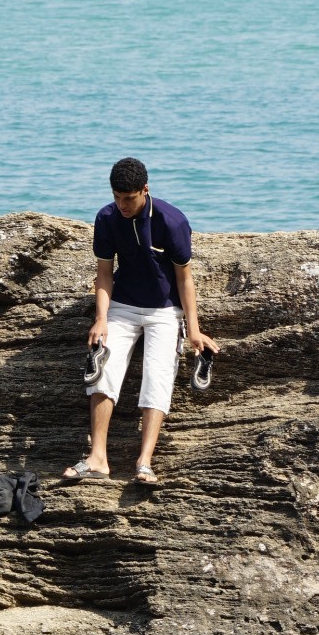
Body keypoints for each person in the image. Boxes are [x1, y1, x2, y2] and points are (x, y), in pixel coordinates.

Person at [65, 156, 219, 488]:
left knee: (158, 375)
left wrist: (193, 329)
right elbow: (104, 276)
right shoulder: (106, 218)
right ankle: (98, 459)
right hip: (122, 305)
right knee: (103, 368)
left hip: (165, 310)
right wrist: (101, 319)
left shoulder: (171, 221)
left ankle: (144, 462)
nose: (121, 204)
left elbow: (185, 280)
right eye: (116, 197)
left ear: (144, 191)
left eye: (128, 198)